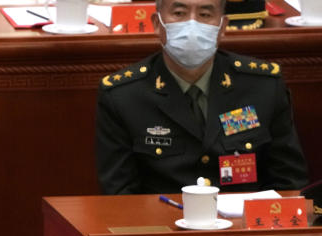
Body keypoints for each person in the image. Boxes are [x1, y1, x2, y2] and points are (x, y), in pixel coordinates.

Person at [95, 0, 307, 195]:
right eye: (179, 13)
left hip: (244, 229)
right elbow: (120, 195)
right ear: (157, 24)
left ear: (222, 28)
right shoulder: (123, 96)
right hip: (163, 228)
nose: (192, 26)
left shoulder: (263, 86)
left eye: (205, 14)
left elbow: (289, 183)